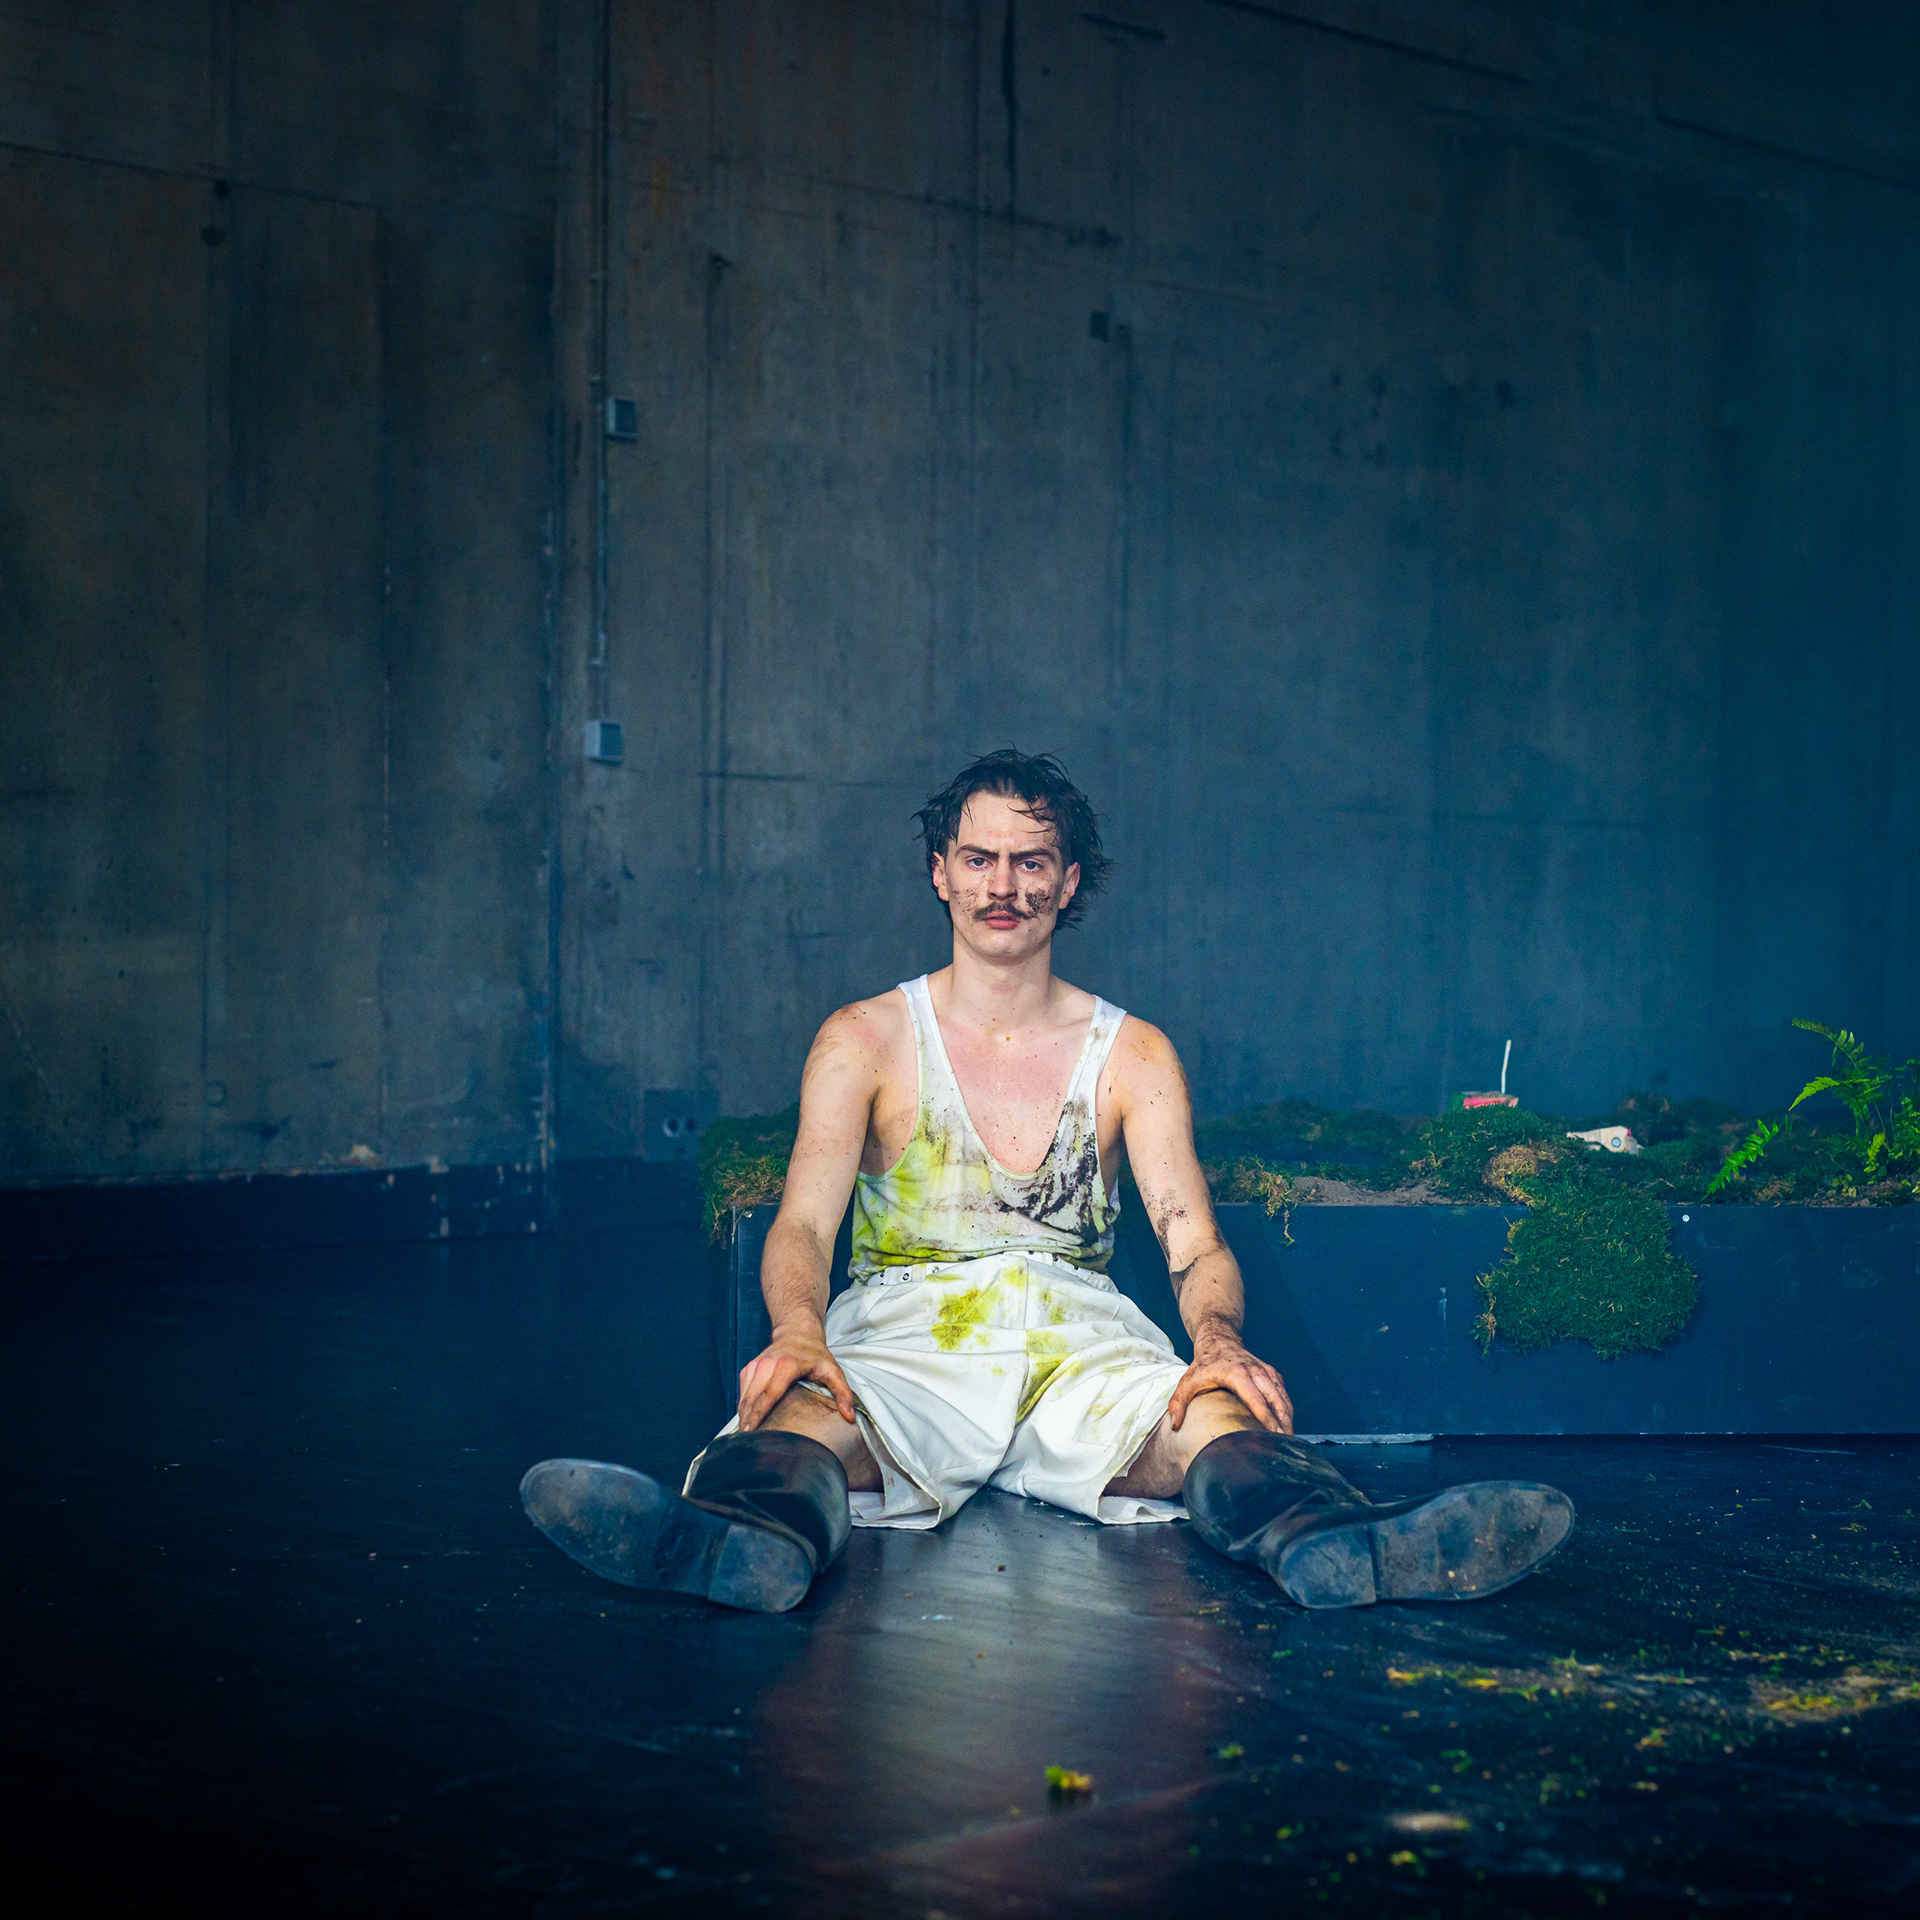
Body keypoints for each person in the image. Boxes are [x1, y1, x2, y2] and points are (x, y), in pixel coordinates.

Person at [522, 750, 1573, 1613]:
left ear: (1069, 884)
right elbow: (802, 1225)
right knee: (798, 1420)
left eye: (1032, 862)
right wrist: (799, 1330)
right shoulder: (864, 1038)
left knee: (1216, 1421)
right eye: (979, 859)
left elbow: (1194, 1243)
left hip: (1080, 1344)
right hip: (907, 1336)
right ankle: (735, 1543)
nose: (1003, 886)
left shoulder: (1134, 1053)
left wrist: (1217, 1341)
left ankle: (1338, 1544)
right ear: (939, 872)